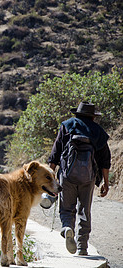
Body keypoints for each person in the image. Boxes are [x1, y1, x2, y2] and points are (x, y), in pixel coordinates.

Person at [48, 101, 111, 256]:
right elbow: (105, 160)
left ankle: (67, 227)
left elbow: (55, 154)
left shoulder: (67, 126)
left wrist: (50, 179)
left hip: (67, 176)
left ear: (77, 114)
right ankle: (82, 246)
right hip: (88, 178)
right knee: (84, 210)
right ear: (93, 117)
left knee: (67, 208)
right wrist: (106, 183)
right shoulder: (98, 131)